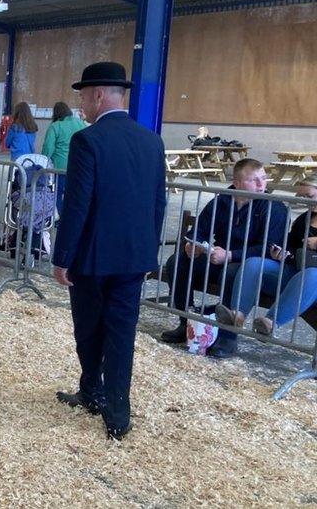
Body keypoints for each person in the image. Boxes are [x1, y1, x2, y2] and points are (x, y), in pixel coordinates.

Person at [52, 62, 166, 441]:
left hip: (93, 256)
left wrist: (62, 256)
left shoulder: (89, 140)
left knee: (88, 328)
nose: (82, 104)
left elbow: (77, 204)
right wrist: (149, 252)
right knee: (121, 332)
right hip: (134, 256)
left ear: (99, 94)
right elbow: (158, 204)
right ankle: (118, 414)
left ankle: (91, 391)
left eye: (84, 96)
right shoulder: (152, 140)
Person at [159, 158, 288, 358]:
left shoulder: (274, 207)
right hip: (217, 257)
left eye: (264, 178)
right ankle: (186, 323)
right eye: (254, 180)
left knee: (232, 272)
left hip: (248, 265)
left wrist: (230, 255)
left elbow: (269, 248)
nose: (262, 185)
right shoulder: (222, 200)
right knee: (178, 261)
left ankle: (228, 336)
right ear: (236, 183)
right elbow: (199, 229)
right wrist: (193, 244)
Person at [214, 175, 317, 336]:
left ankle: (271, 322)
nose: (305, 202)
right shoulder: (305, 218)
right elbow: (292, 246)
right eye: (302, 197)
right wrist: (282, 253)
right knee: (254, 262)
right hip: (295, 271)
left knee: (312, 275)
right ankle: (237, 315)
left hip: (312, 279)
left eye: (309, 197)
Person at [41, 101, 87, 216]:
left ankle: (59, 217)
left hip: (59, 167)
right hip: (77, 166)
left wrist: (43, 161)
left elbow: (48, 147)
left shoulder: (56, 126)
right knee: (73, 194)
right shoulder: (80, 124)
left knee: (57, 193)